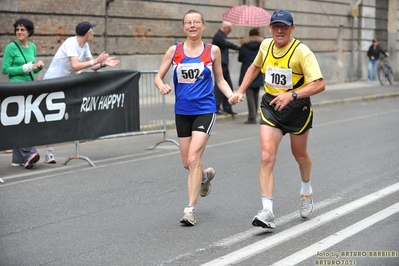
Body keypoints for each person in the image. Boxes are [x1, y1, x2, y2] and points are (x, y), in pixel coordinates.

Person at [229, 9, 325, 229]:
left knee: (299, 155)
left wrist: (291, 95)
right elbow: (254, 67)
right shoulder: (266, 45)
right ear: (270, 28)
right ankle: (267, 211)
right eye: (276, 26)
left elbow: (319, 84)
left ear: (292, 28)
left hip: (297, 108)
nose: (280, 30)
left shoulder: (302, 52)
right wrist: (241, 90)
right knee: (266, 157)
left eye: (284, 26)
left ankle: (306, 192)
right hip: (271, 106)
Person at [154, 10, 234, 226]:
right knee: (187, 163)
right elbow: (157, 76)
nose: (192, 26)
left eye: (196, 22)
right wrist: (162, 85)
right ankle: (205, 177)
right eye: (188, 23)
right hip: (182, 111)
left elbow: (220, 79)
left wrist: (230, 95)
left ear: (203, 26)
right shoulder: (174, 50)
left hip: (205, 110)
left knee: (193, 158)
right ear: (183, 27)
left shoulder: (212, 51)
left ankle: (189, 209)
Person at [43, 21, 120, 163]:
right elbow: (75, 66)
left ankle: (75, 139)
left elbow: (93, 66)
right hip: (52, 82)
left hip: (67, 83)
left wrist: (103, 63)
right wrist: (96, 60)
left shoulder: (85, 46)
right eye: (93, 31)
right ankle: (49, 152)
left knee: (69, 112)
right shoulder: (71, 43)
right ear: (87, 33)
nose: (94, 34)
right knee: (50, 117)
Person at [2, 18, 44, 169]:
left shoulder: (32, 47)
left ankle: (18, 158)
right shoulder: (11, 47)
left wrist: (38, 67)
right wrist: (25, 68)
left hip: (29, 87)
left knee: (24, 120)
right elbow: (5, 69)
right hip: (16, 88)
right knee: (23, 121)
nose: (19, 32)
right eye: (17, 29)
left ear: (29, 32)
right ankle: (29, 152)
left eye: (22, 30)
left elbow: (32, 70)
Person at [212, 21, 240, 115]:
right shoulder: (218, 36)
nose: (230, 31)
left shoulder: (222, 36)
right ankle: (216, 107)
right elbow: (227, 44)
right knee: (219, 86)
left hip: (224, 63)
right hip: (220, 64)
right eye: (230, 29)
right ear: (226, 28)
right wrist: (239, 47)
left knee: (229, 85)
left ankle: (227, 107)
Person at [238, 28, 264, 124]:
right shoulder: (262, 45)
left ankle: (251, 117)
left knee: (249, 95)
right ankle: (255, 115)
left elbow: (240, 58)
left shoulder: (244, 44)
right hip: (257, 71)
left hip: (246, 71)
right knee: (256, 94)